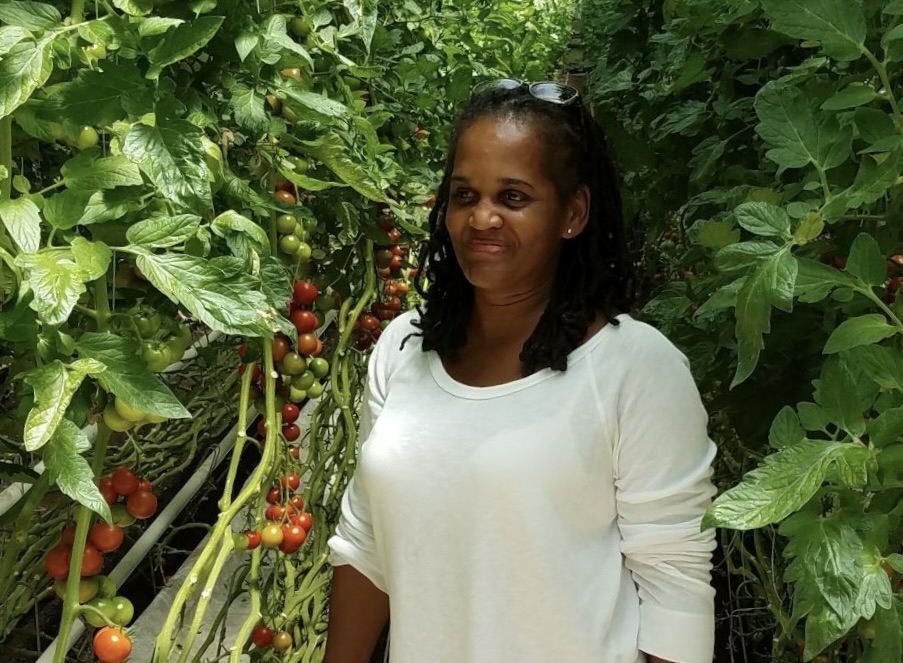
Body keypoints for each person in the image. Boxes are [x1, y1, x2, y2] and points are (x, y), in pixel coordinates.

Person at [323, 78, 717, 663]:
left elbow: (675, 587)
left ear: (573, 213)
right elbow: (367, 545)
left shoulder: (635, 368)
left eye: (512, 197)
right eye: (465, 195)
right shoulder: (403, 349)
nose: (482, 218)